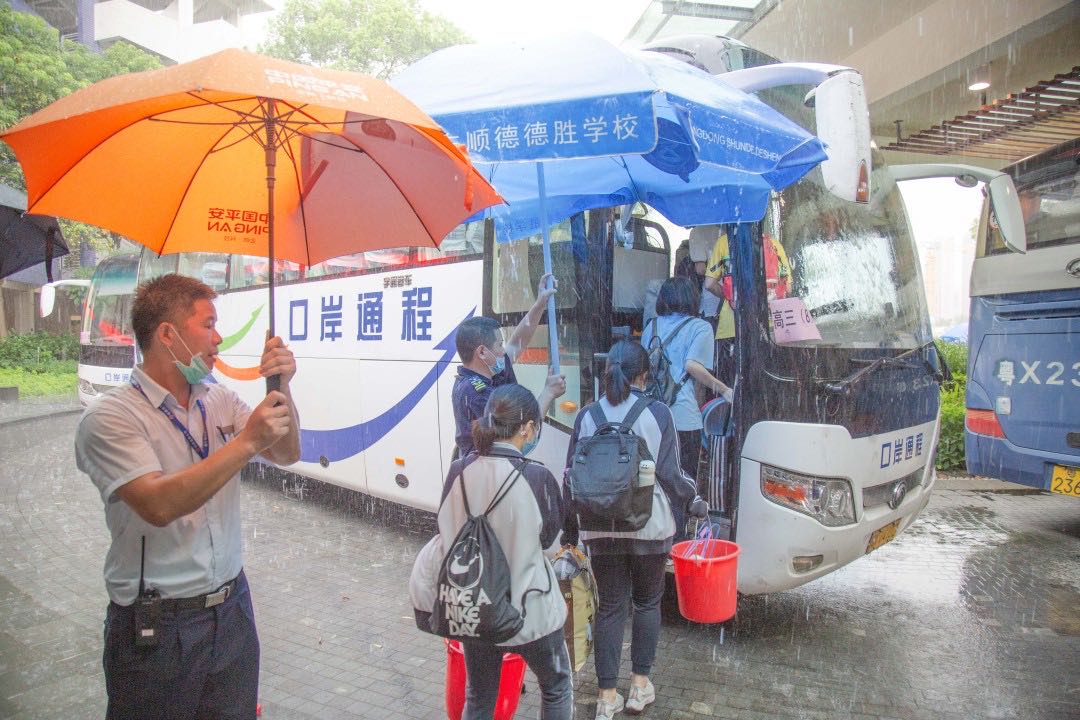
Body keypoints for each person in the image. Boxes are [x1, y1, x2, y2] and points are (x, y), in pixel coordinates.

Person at [75, 273, 301, 719]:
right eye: (208, 324)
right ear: (167, 334)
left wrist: (282, 386)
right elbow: (158, 504)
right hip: (157, 627)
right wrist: (246, 442)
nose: (219, 339)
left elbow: (287, 453)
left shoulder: (218, 400)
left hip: (232, 612)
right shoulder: (111, 417)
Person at [562, 341, 706, 720]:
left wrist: (569, 532)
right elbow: (671, 474)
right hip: (649, 526)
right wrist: (693, 499)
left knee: (610, 608)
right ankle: (639, 686)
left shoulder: (588, 415)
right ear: (644, 375)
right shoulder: (657, 412)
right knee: (646, 604)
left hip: (600, 527)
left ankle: (606, 696)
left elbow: (571, 476)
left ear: (607, 370)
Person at [440, 384, 572, 719]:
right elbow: (548, 539)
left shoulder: (459, 470)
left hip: (477, 607)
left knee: (479, 696)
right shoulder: (537, 477)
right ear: (526, 428)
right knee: (556, 687)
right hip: (530, 608)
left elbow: (445, 527)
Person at [451, 273, 566, 457]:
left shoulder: (487, 372)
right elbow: (521, 434)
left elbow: (516, 343)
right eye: (499, 345)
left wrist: (540, 304)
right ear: (482, 352)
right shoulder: (476, 393)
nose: (504, 350)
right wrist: (548, 393)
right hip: (488, 471)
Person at [640, 276, 732, 479]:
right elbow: (692, 366)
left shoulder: (651, 326)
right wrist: (724, 390)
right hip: (683, 416)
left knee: (651, 480)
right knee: (683, 482)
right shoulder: (700, 327)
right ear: (692, 297)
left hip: (650, 415)